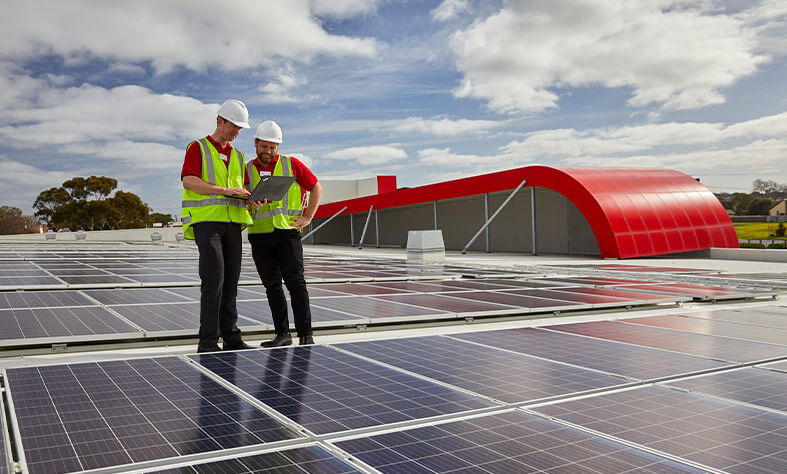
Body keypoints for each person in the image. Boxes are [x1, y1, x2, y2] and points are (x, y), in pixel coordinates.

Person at [181, 99, 255, 353]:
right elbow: (189, 181)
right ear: (220, 121)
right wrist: (225, 190)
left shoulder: (238, 155)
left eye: (240, 128)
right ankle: (208, 341)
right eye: (233, 126)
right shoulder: (197, 148)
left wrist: (251, 200)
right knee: (214, 279)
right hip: (208, 222)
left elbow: (241, 189)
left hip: (233, 224)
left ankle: (232, 337)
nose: (237, 131)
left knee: (231, 281)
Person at [246, 120, 322, 347]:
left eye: (273, 147)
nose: (268, 152)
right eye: (265, 146)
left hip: (288, 233)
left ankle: (305, 334)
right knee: (272, 286)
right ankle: (282, 334)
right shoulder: (246, 169)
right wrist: (249, 204)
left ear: (278, 146)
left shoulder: (292, 165)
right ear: (256, 143)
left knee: (296, 283)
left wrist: (308, 217)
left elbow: (316, 187)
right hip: (260, 235)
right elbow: (242, 198)